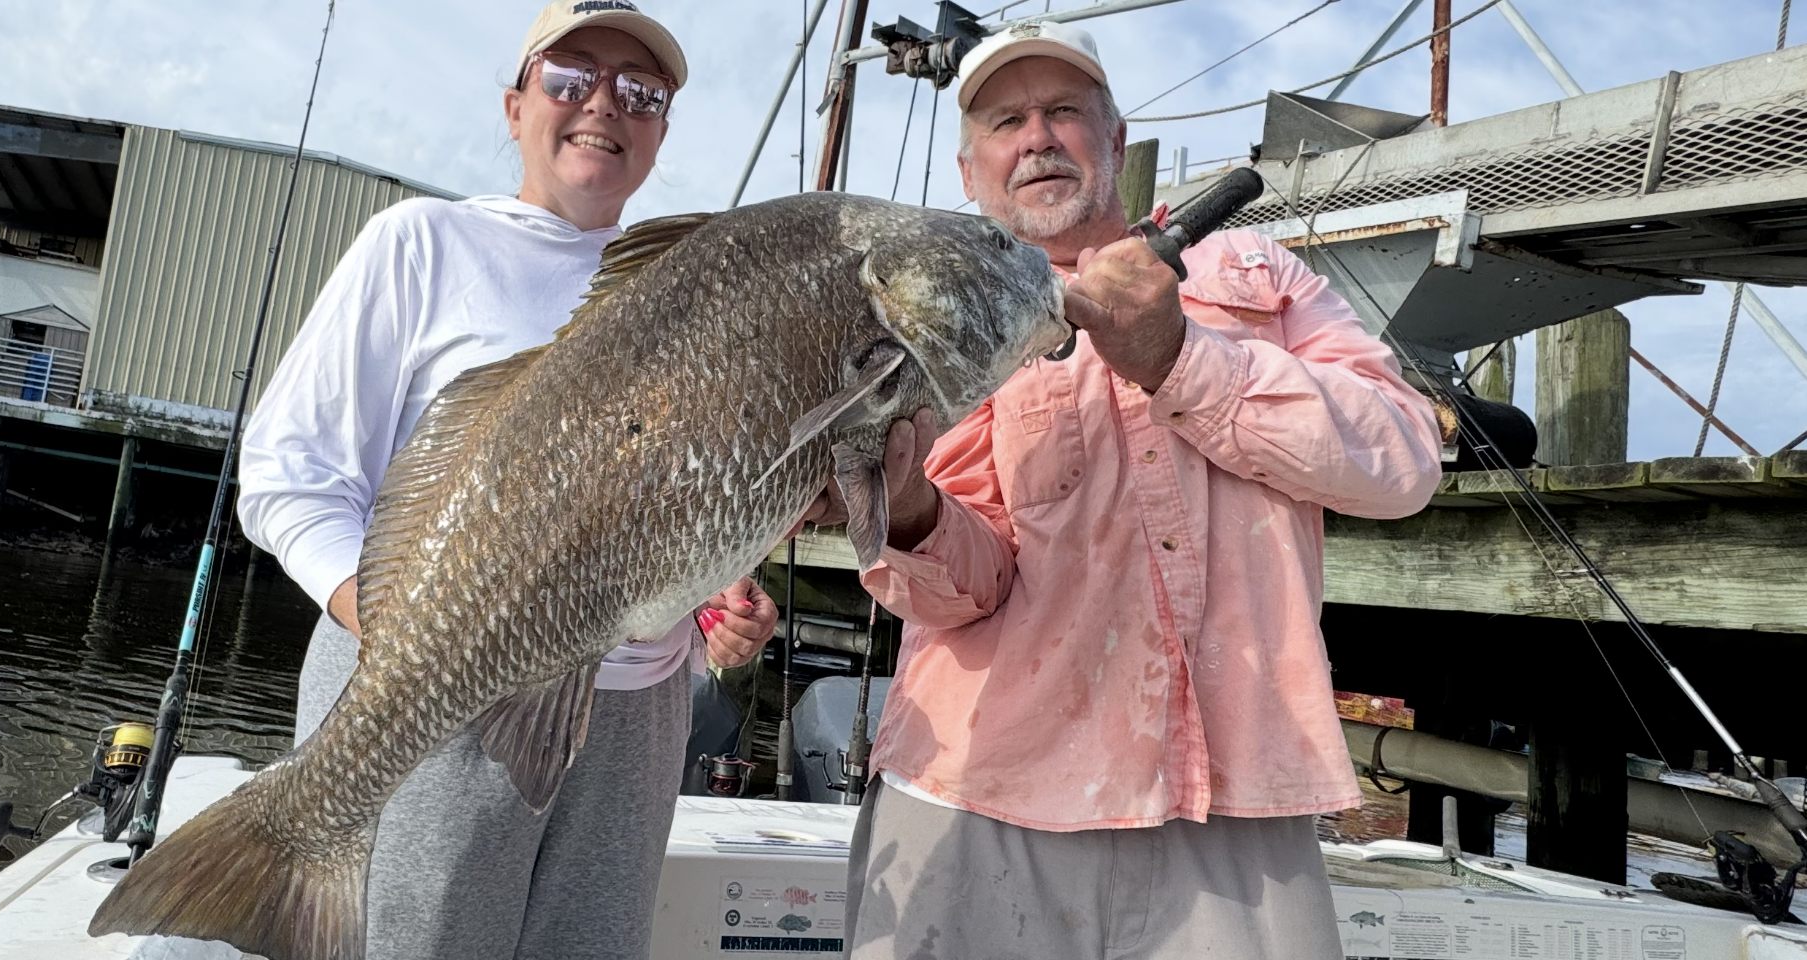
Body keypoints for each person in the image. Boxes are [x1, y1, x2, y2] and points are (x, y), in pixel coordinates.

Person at [820, 20, 1445, 960]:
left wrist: (1181, 358)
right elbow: (966, 588)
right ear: (968, 171)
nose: (1035, 136)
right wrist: (905, 512)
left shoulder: (1258, 276)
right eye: (1005, 120)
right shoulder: (937, 320)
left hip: (1235, 814)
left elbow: (1401, 463)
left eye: (1062, 111)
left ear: (1113, 145)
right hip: (980, 789)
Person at [236, 3, 777, 957]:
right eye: (571, 78)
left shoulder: (696, 287)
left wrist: (708, 613)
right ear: (514, 105)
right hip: (432, 696)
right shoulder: (420, 242)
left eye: (639, 92)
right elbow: (292, 476)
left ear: (659, 133)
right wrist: (423, 642)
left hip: (633, 723)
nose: (603, 103)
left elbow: (659, 518)